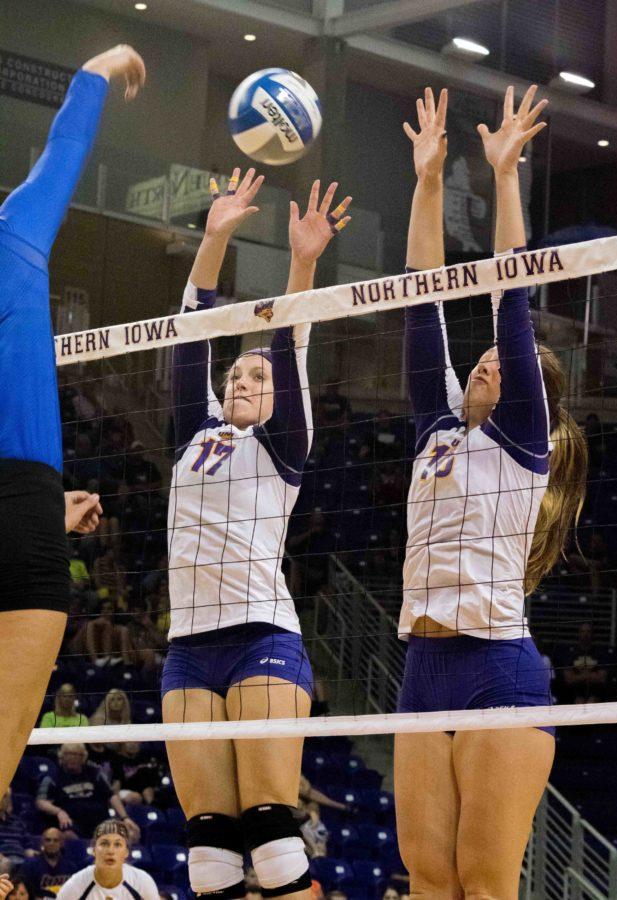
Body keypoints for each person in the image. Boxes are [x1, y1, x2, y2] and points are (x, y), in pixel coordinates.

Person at [393, 85, 588, 900]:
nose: (490, 361)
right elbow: (418, 300)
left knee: (483, 881)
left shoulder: (520, 443)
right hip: (420, 666)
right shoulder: (436, 432)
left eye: (510, 369)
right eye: (491, 359)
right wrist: (430, 179)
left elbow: (512, 299)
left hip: (496, 670)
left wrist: (505, 177)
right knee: (430, 879)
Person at [161, 170, 351, 900]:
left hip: (261, 637)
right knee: (209, 855)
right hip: (188, 647)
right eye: (235, 372)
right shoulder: (192, 432)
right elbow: (191, 330)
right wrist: (214, 238)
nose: (244, 377)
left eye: (257, 376)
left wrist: (302, 264)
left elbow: (288, 345)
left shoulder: (283, 446)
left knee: (272, 841)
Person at [0, 43, 145, 798]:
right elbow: (67, 144)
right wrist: (102, 66)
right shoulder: (16, 228)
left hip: (29, 504)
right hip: (26, 512)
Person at [35, 744, 140, 843]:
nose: (72, 758)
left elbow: (111, 795)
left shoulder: (94, 772)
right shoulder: (53, 776)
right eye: (68, 754)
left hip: (100, 820)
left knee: (131, 832)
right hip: (72, 822)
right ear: (62, 756)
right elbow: (41, 802)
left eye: (77, 754)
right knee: (67, 836)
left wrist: (125, 818)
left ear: (83, 757)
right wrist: (59, 812)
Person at [56, 820, 158, 900]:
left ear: (126, 852)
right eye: (104, 844)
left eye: (117, 844)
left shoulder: (142, 881)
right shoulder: (76, 884)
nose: (110, 851)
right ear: (94, 850)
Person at [19, 829, 76, 900]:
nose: (51, 843)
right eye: (48, 840)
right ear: (42, 842)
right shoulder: (30, 865)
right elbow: (25, 893)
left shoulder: (71, 867)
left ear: (61, 843)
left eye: (56, 840)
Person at [562, 622, 608, 704]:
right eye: (583, 631)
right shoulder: (571, 653)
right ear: (578, 634)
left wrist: (578, 676)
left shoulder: (599, 653)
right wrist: (590, 675)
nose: (585, 634)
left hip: (595, 692)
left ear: (592, 634)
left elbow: (602, 678)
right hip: (574, 693)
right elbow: (568, 679)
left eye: (588, 631)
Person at [0, 791, 28, 868]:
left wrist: (31, 852)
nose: (2, 799)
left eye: (5, 796)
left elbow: (27, 843)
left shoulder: (17, 822)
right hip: (3, 858)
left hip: (21, 859)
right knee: (4, 864)